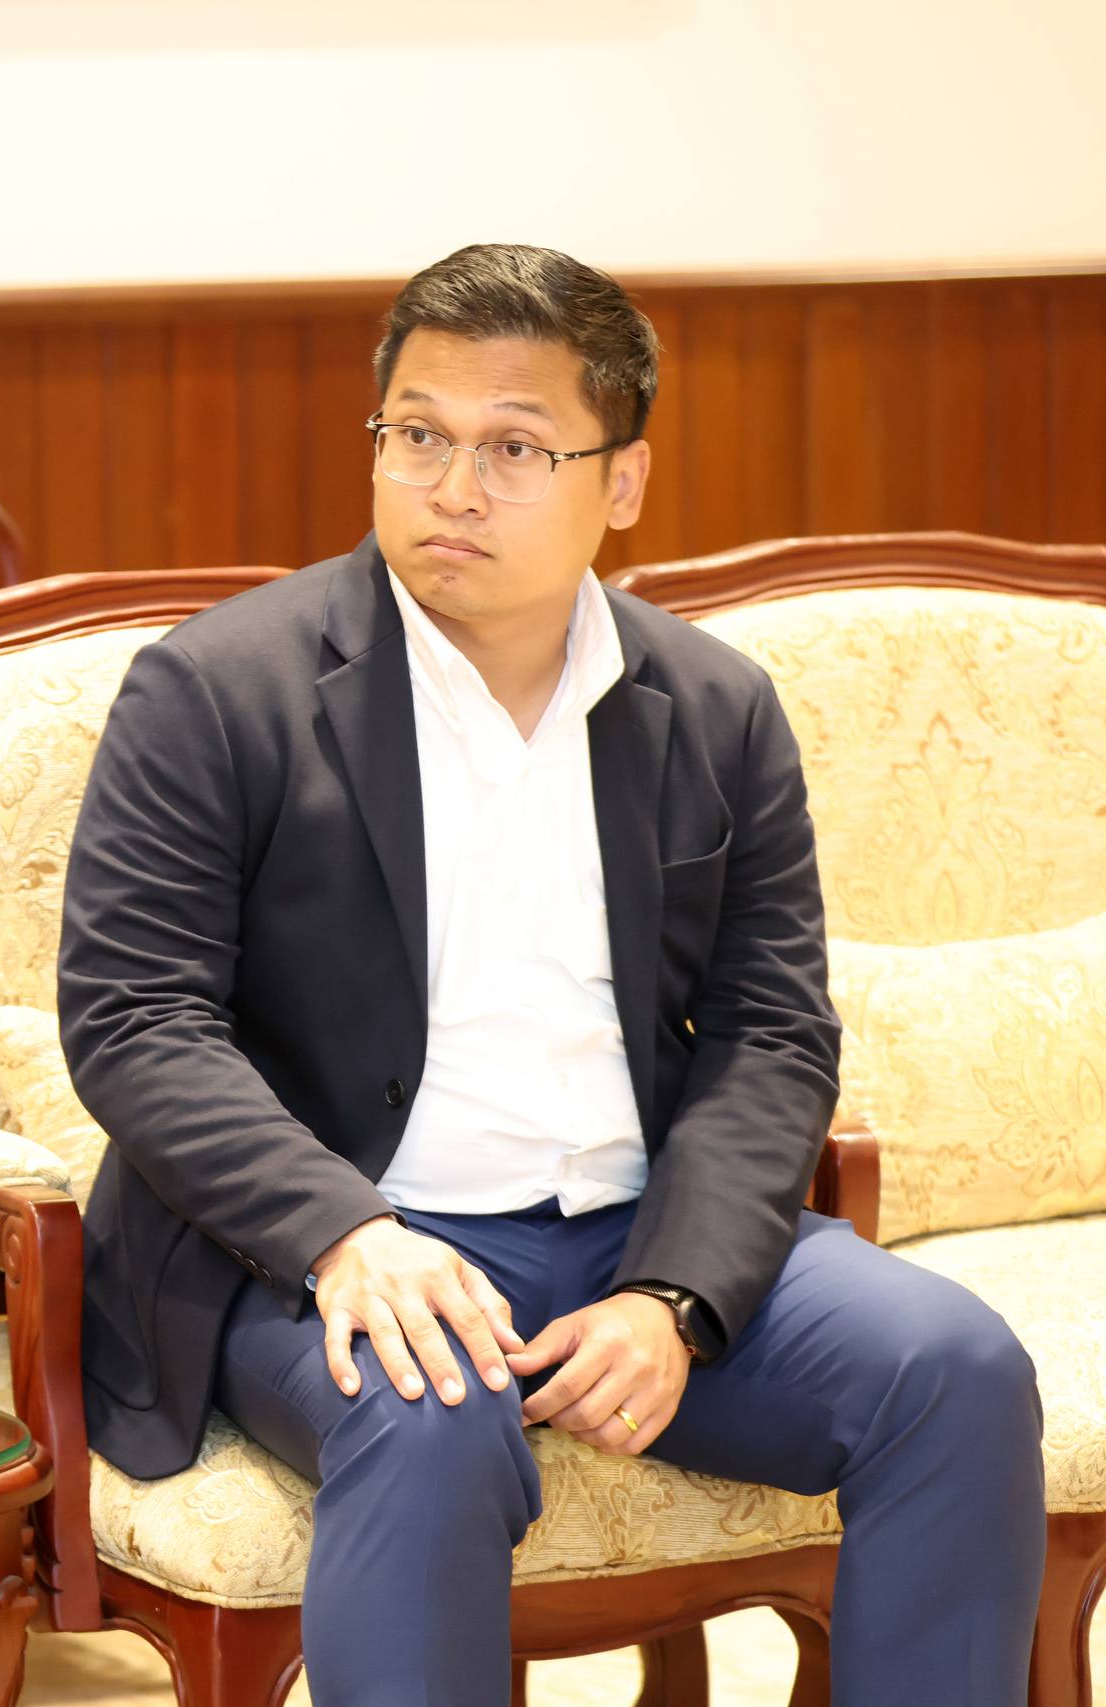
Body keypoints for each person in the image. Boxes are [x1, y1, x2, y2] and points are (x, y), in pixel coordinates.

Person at [57, 242, 1045, 1705]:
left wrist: (677, 1298)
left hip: (634, 1227)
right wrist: (345, 1233)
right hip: (337, 1239)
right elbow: (136, 1019)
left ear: (621, 482)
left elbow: (771, 1033)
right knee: (429, 1414)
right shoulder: (217, 691)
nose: (453, 488)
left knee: (954, 1368)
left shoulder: (713, 706)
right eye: (418, 435)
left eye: (515, 448)